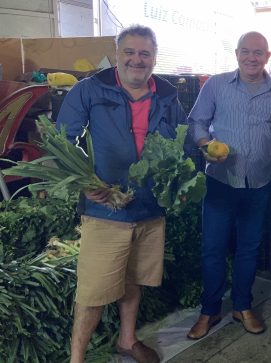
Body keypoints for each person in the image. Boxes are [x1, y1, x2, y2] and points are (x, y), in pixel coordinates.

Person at [58, 25, 187, 363]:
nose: (137, 59)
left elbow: (181, 144)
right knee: (93, 291)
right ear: (117, 54)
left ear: (155, 58)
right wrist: (86, 180)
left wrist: (180, 185)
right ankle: (77, 359)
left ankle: (127, 340)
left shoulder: (167, 95)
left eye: (145, 53)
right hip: (106, 208)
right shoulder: (89, 90)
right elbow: (62, 141)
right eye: (129, 51)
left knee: (134, 279)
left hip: (149, 207)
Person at [186, 31, 271, 339]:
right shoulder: (216, 85)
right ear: (236, 54)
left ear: (267, 56)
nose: (252, 57)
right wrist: (205, 143)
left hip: (260, 183)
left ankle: (242, 306)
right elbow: (197, 122)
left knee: (248, 249)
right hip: (220, 183)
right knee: (213, 248)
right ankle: (209, 311)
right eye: (246, 52)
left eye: (258, 52)